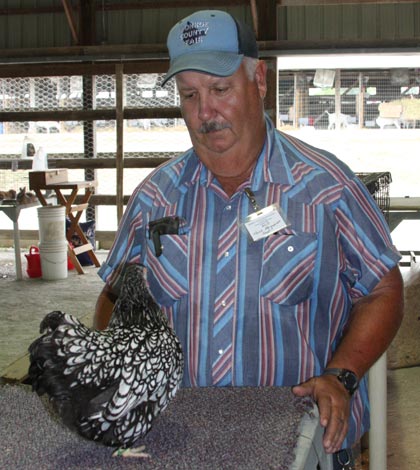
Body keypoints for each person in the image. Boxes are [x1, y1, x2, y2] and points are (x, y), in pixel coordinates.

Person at [94, 9, 404, 468]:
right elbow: (116, 296)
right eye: (189, 95)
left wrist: (342, 376)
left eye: (220, 90)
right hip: (178, 445)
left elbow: (382, 289)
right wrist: (111, 372)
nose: (205, 113)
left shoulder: (326, 188)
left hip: (300, 445)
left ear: (258, 79)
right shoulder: (154, 197)